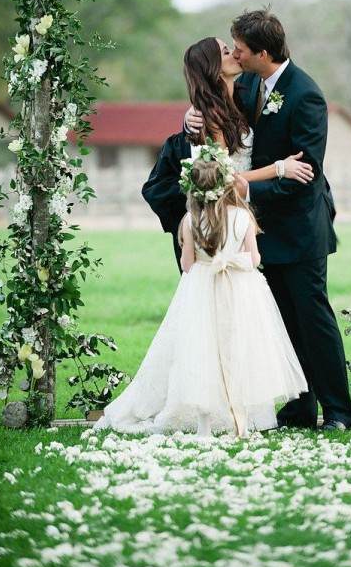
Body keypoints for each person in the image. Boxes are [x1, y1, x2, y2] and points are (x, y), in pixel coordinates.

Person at [183, 9, 351, 432]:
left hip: (299, 228)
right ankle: (299, 408)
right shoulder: (247, 84)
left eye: (240, 48)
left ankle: (338, 411)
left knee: (313, 319)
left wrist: (243, 188)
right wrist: (187, 118)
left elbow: (306, 172)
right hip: (257, 231)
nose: (235, 54)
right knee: (282, 323)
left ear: (262, 52)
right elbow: (216, 114)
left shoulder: (305, 95)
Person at [95, 144, 308, 437]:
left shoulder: (189, 221)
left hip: (202, 292)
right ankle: (242, 421)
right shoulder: (243, 218)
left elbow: (187, 265)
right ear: (227, 183)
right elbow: (256, 258)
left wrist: (210, 260)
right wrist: (234, 261)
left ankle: (203, 426)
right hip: (240, 291)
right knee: (240, 350)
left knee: (201, 353)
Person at [142, 36, 314, 269]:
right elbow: (224, 178)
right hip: (225, 218)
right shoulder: (210, 116)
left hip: (241, 211)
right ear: (213, 68)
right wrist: (280, 168)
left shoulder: (238, 100)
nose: (234, 54)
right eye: (225, 52)